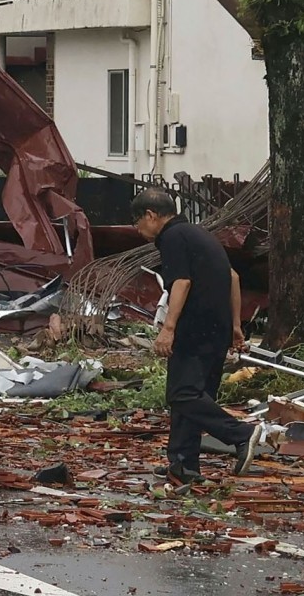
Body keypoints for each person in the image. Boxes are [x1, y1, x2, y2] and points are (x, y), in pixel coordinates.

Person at [132, 188, 261, 486]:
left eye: (138, 223)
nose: (138, 230)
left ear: (151, 216)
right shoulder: (200, 234)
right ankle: (182, 465)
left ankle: (241, 434)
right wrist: (236, 326)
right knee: (191, 397)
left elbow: (182, 282)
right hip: (217, 329)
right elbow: (233, 278)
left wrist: (168, 328)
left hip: (195, 327)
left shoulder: (172, 238)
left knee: (182, 394)